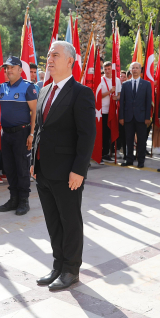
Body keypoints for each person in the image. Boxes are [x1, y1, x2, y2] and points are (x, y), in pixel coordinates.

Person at [31, 41, 96, 290]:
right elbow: (39, 130)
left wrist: (79, 170)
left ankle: (71, 270)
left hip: (67, 171)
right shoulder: (45, 90)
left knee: (70, 221)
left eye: (55, 55)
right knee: (52, 221)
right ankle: (58, 265)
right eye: (48, 54)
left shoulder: (81, 93)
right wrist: (33, 161)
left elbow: (87, 134)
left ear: (70, 61)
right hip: (43, 170)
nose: (49, 58)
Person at [0, 56, 38, 215]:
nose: (8, 70)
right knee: (10, 168)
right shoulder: (2, 87)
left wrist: (32, 134)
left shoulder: (28, 87)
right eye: (7, 68)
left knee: (21, 168)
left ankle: (24, 201)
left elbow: (34, 113)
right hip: (6, 134)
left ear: (20, 70)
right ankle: (13, 199)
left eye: (12, 67)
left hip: (22, 133)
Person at [119, 62, 152, 168]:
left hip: (141, 117)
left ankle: (141, 160)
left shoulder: (146, 84)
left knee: (141, 140)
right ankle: (129, 159)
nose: (135, 70)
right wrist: (121, 117)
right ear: (130, 70)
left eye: (137, 68)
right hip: (128, 117)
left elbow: (148, 102)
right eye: (133, 68)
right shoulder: (125, 84)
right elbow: (122, 102)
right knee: (128, 139)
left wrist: (148, 117)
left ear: (140, 70)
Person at [99, 61, 122, 161]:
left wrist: (116, 97)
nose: (107, 71)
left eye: (109, 69)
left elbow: (120, 94)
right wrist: (110, 92)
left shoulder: (116, 80)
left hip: (113, 111)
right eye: (105, 69)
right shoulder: (100, 80)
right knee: (104, 133)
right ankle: (103, 153)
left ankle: (110, 151)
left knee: (111, 131)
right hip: (103, 111)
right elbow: (98, 95)